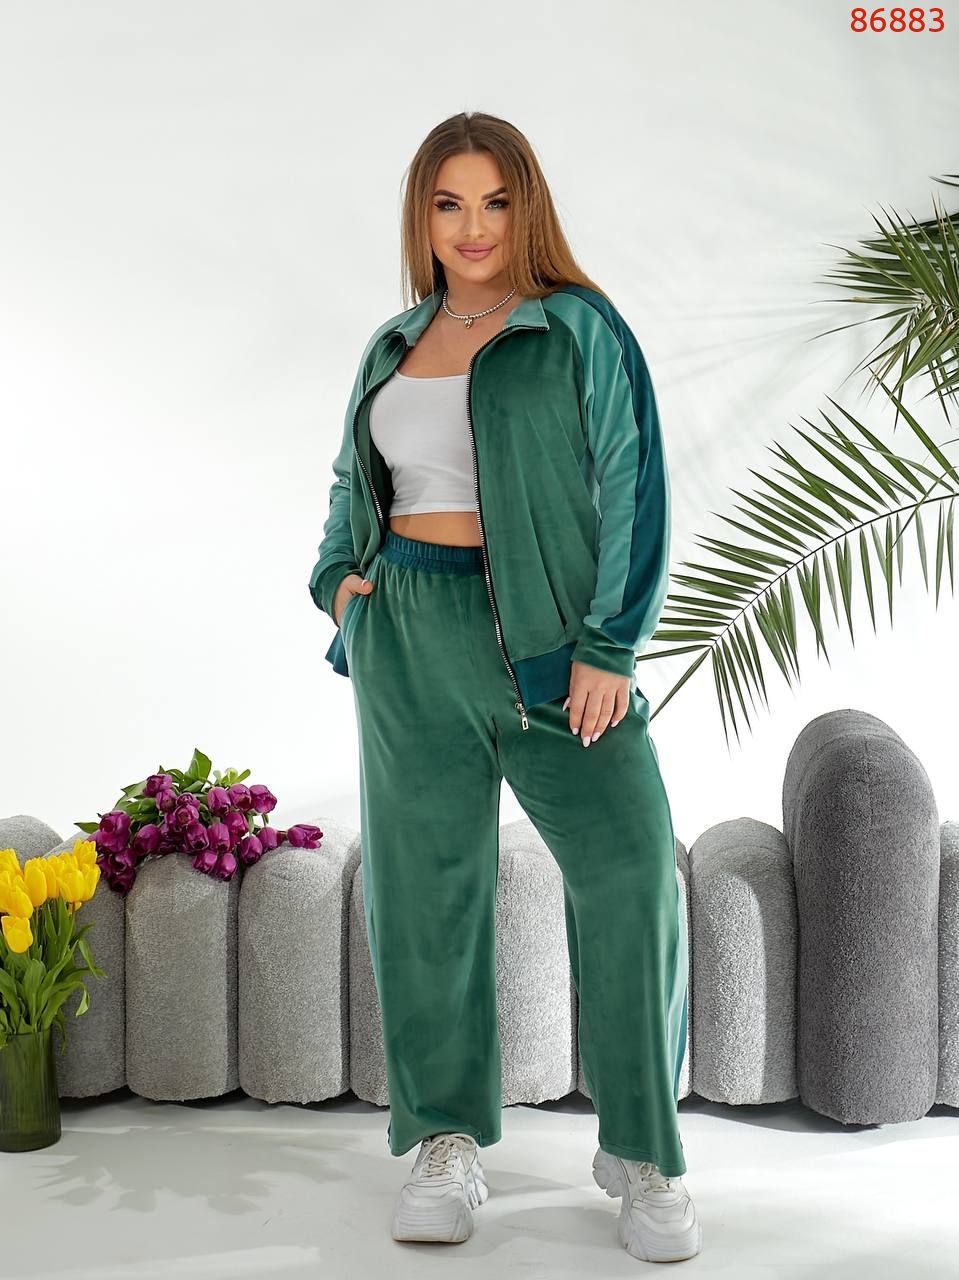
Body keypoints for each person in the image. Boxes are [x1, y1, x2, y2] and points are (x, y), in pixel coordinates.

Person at [308, 110, 702, 1264]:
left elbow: (634, 484)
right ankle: (441, 1139)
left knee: (630, 872)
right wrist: (339, 586)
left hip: (552, 652)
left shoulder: (575, 326)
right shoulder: (392, 343)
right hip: (408, 640)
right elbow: (351, 485)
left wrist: (609, 646)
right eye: (448, 203)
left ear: (523, 207)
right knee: (425, 898)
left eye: (492, 200)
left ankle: (641, 1149)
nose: (471, 226)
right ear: (421, 217)